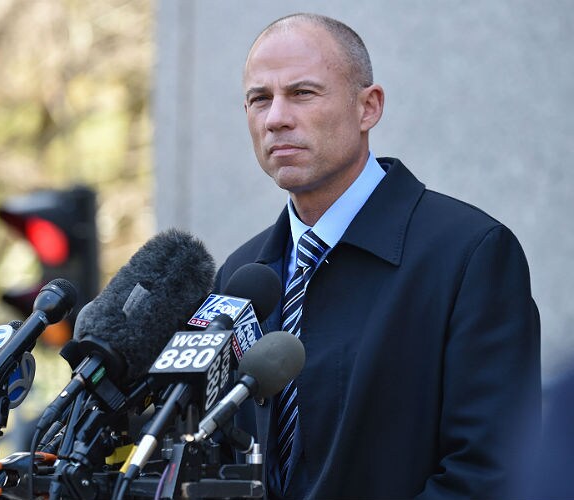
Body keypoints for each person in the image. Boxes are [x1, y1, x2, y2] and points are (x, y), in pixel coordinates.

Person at [213, 12, 540, 499]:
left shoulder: (470, 255)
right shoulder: (240, 275)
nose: (276, 117)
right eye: (260, 98)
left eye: (302, 93)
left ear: (368, 107)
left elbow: (490, 472)